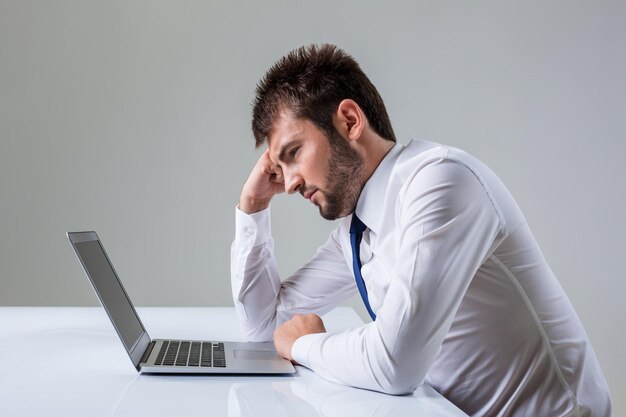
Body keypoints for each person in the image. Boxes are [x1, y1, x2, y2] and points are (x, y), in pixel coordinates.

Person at [230, 44, 612, 416]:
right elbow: (264, 327)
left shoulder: (441, 182)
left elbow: (397, 362)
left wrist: (308, 344)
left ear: (349, 121)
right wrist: (253, 208)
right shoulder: (356, 231)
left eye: (293, 153)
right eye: (280, 166)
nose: (291, 183)